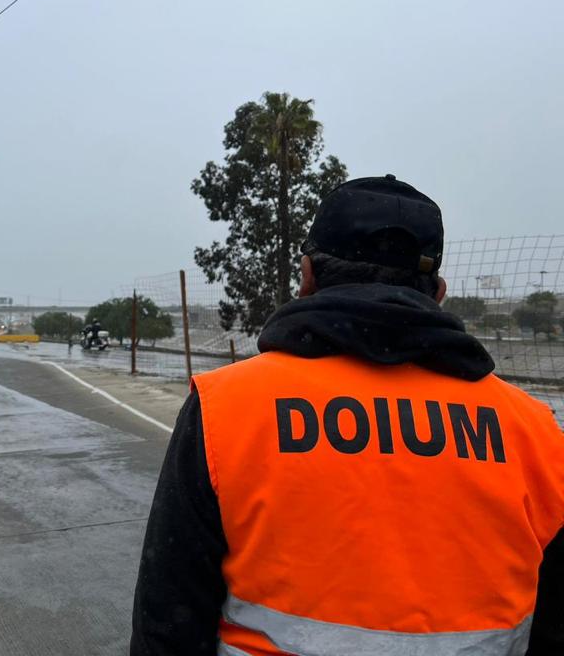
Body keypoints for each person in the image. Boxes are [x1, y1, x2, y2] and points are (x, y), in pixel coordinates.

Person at [131, 175, 564, 656]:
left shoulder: (226, 408)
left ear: (307, 275)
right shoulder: (533, 431)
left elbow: (168, 618)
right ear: (437, 291)